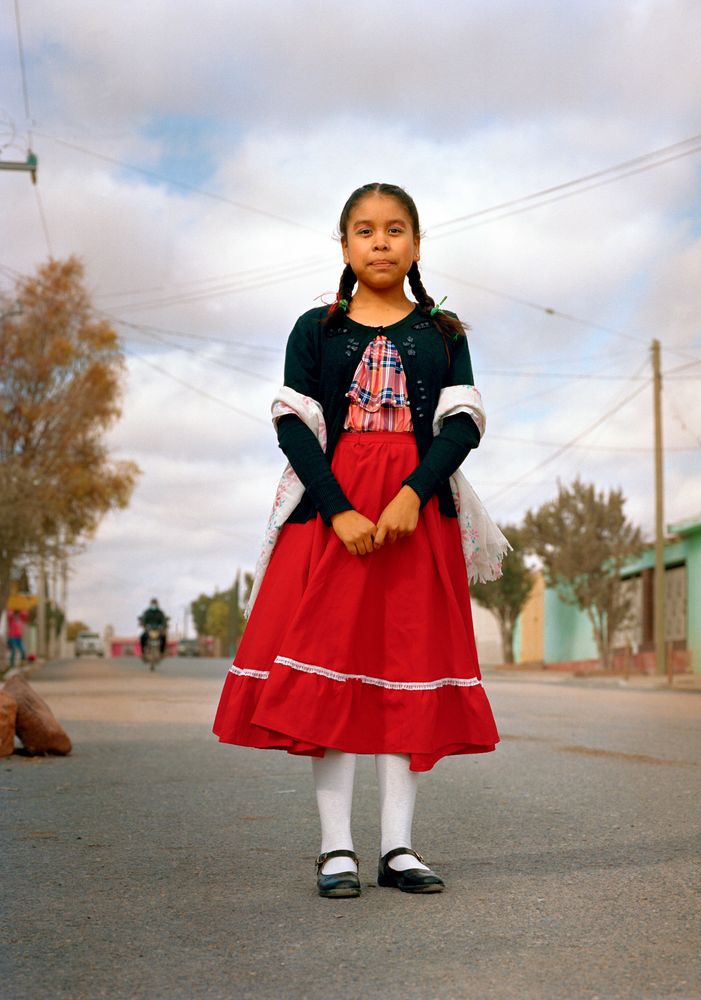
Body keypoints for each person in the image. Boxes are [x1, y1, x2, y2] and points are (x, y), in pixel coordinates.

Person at [213, 182, 504, 899]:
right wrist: (340, 509)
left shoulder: (444, 332)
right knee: (332, 673)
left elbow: (462, 423)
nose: (381, 241)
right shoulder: (316, 328)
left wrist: (412, 493)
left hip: (417, 518)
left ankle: (399, 848)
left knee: (405, 670)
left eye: (396, 229)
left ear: (416, 243)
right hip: (332, 520)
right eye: (365, 230)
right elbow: (293, 425)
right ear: (344, 245)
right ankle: (335, 847)